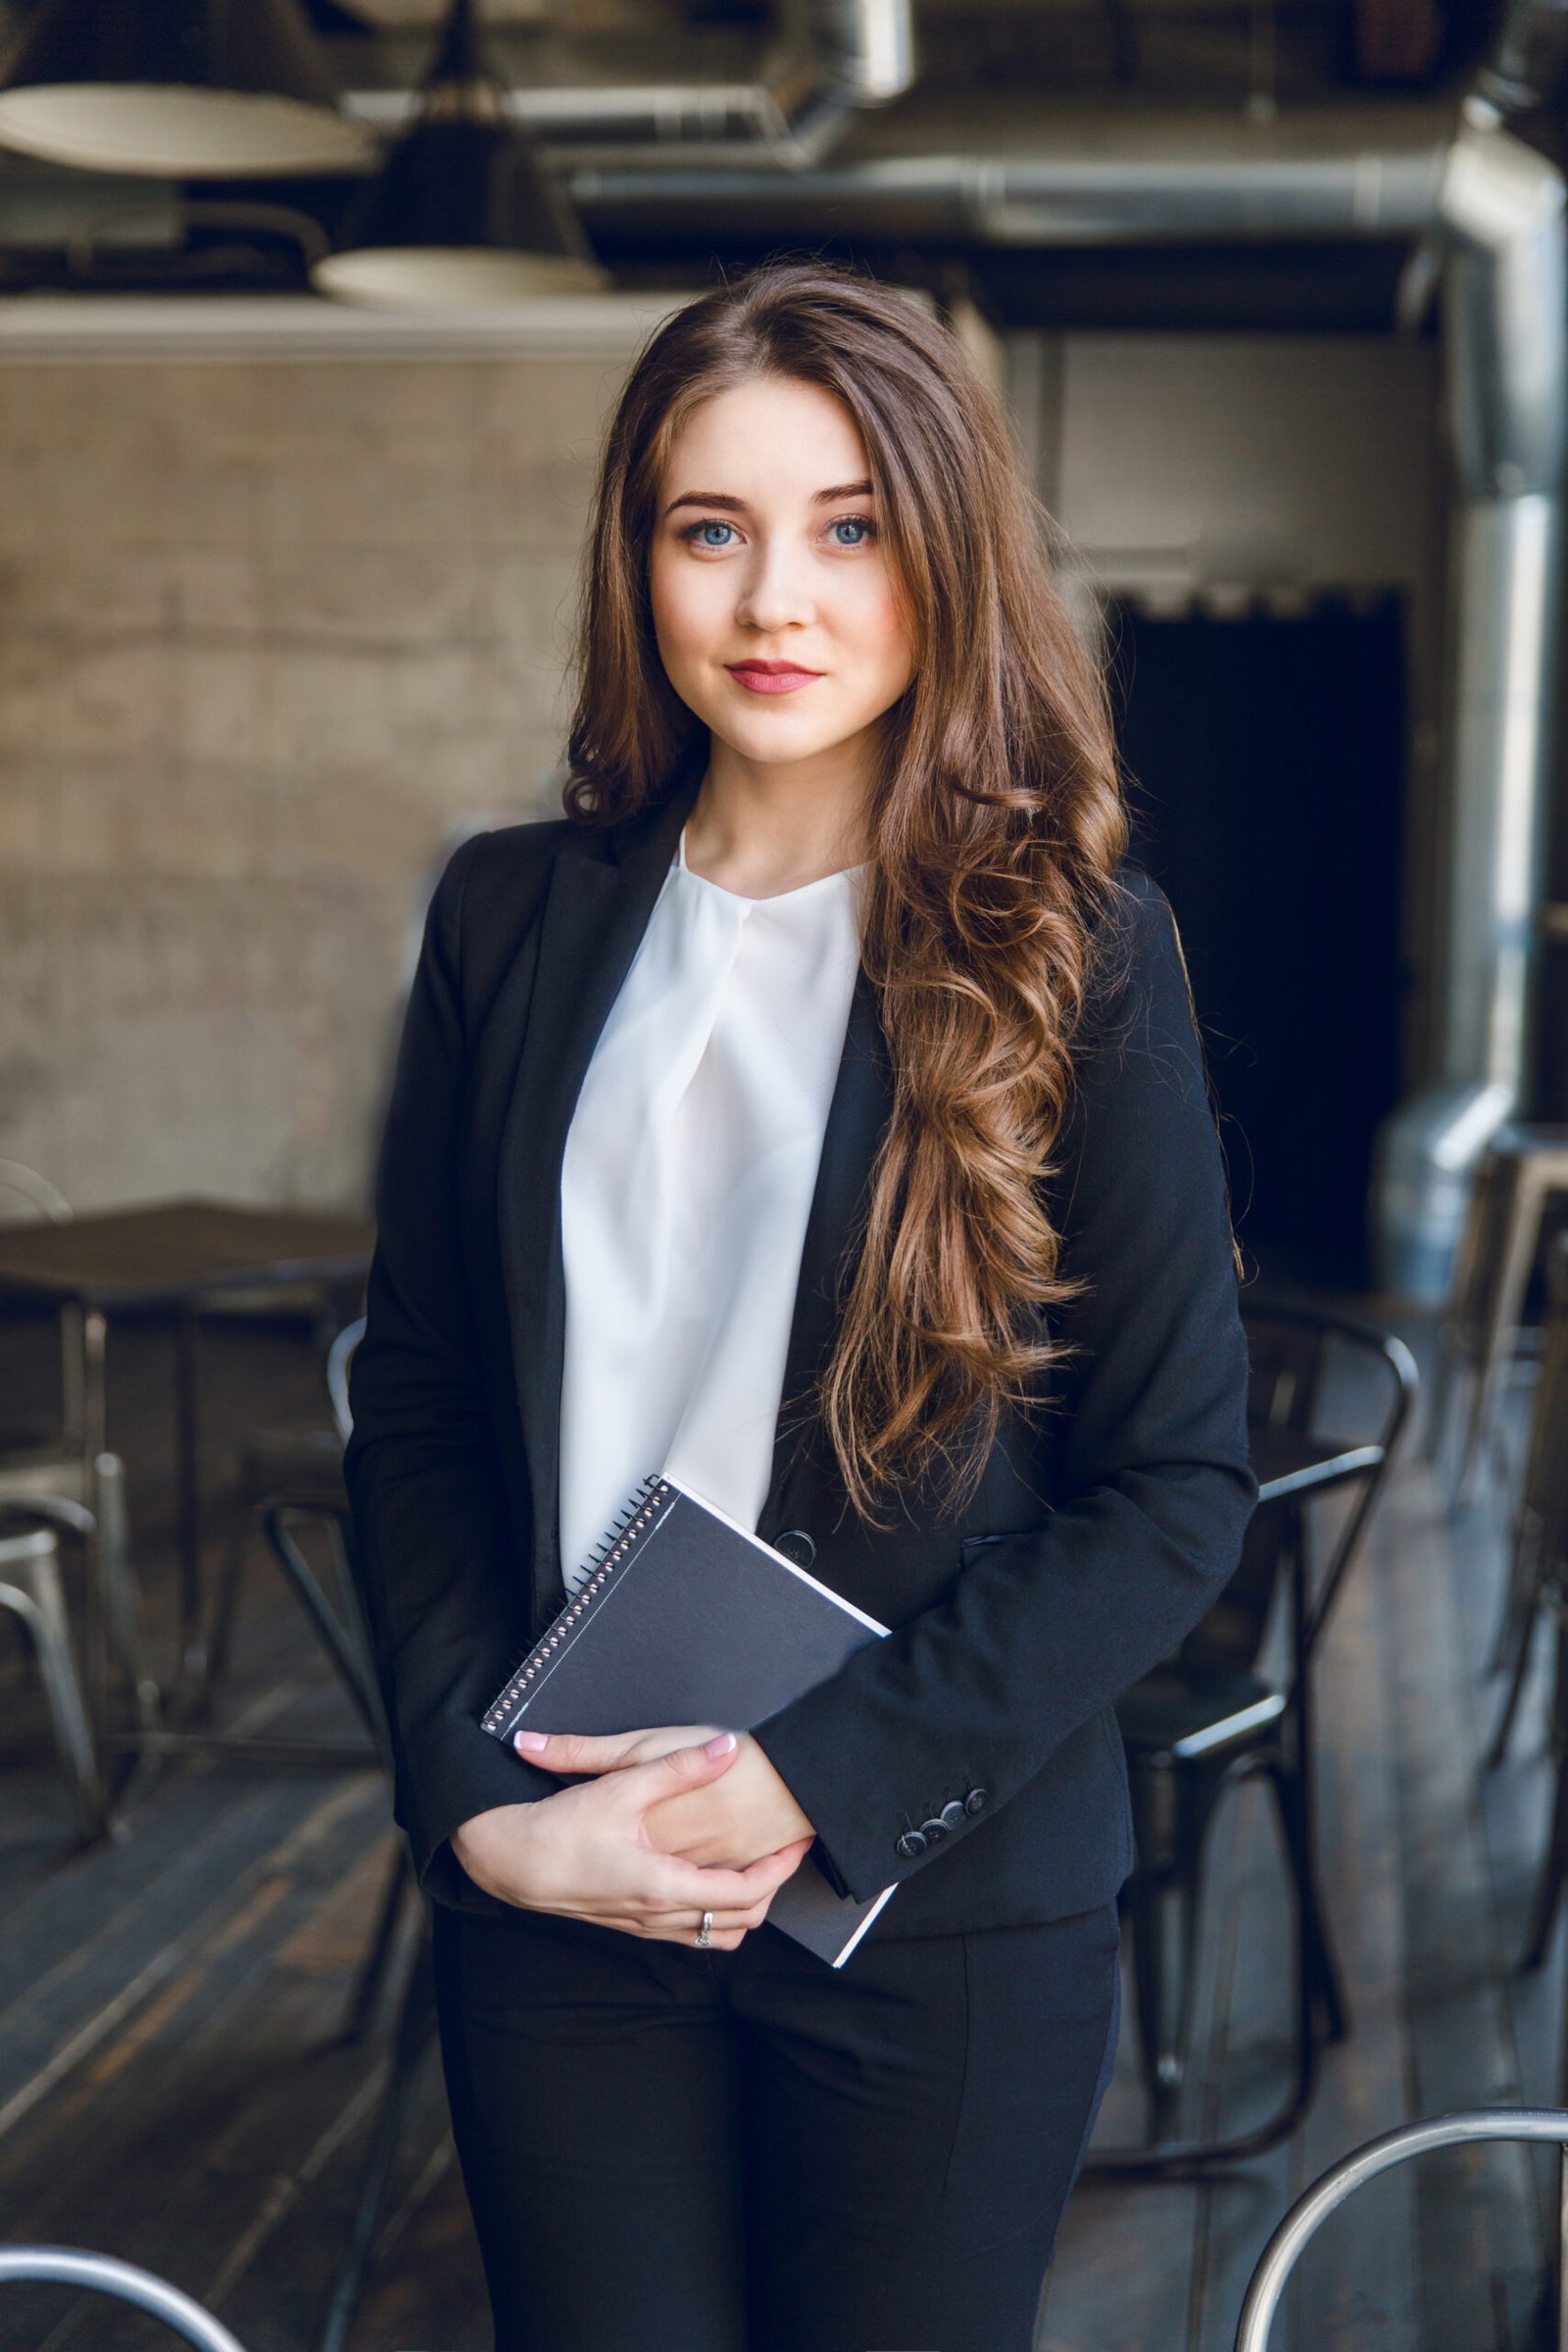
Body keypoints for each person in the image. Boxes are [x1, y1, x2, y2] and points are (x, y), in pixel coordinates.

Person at [343, 258, 1259, 2352]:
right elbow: (411, 1408)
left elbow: (1173, 1491)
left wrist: (809, 1781)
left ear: (937, 555)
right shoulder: (509, 916)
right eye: (709, 527)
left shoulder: (1076, 948)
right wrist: (481, 1815)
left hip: (920, 1902)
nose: (777, 598)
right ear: (635, 562)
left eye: (847, 525)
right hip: (563, 1873)